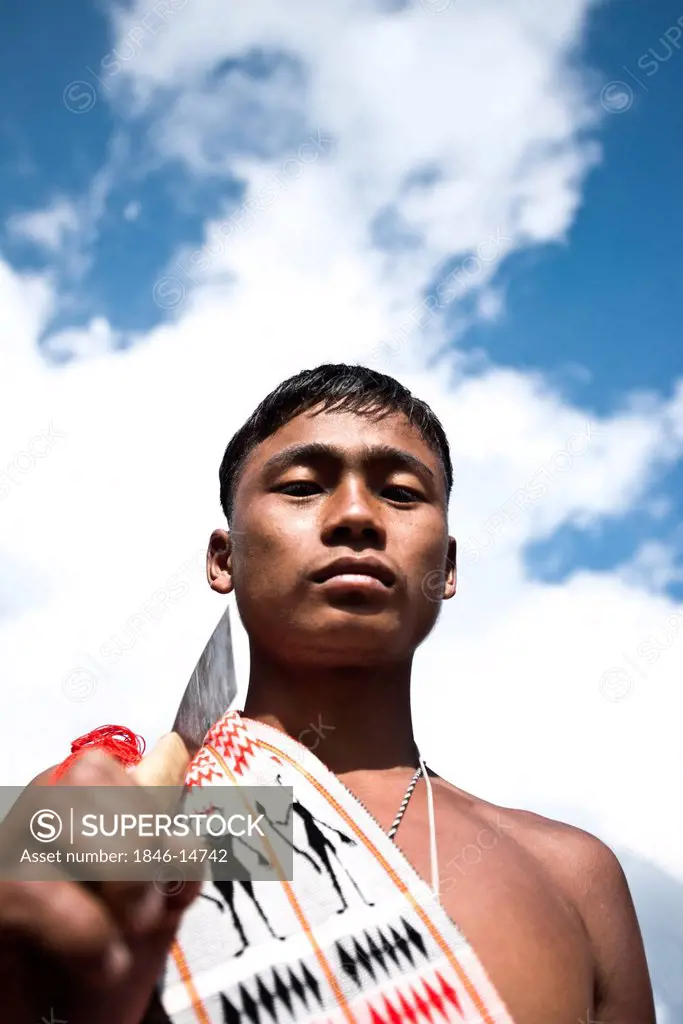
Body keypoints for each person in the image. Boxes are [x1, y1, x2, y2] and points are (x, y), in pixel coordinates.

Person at [1, 363, 655, 1023]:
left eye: (400, 493)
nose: (354, 516)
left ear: (447, 567)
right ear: (223, 559)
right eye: (302, 486)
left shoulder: (570, 876)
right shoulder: (110, 814)